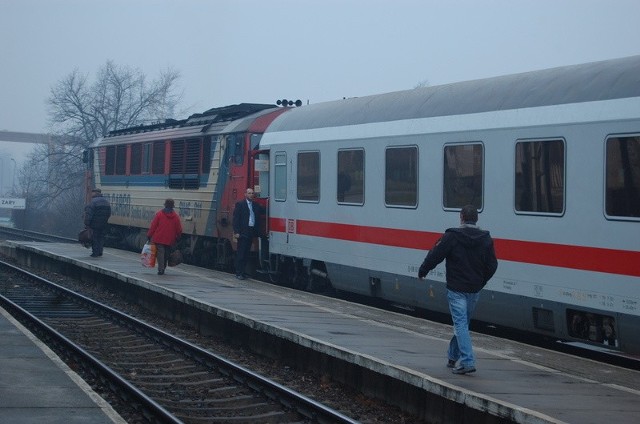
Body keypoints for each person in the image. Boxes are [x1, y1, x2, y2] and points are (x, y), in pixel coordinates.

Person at [418, 205, 498, 375]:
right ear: (476, 219)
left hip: (456, 289)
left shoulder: (452, 237)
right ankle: (453, 357)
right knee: (462, 324)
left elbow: (435, 255)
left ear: (461, 217)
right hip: (474, 290)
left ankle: (468, 361)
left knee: (461, 324)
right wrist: (481, 281)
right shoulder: (485, 239)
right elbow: (492, 265)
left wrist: (423, 270)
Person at [232, 188, 263, 280]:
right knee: (241, 253)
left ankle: (243, 272)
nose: (251, 195)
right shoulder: (240, 204)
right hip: (242, 232)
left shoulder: (256, 205)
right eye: (249, 193)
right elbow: (236, 219)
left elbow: (263, 211)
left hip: (251, 232)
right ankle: (238, 273)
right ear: (245, 194)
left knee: (246, 254)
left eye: (252, 193)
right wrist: (236, 232)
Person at [147, 198, 183, 275]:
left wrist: (149, 235)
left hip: (159, 238)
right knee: (166, 254)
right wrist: (179, 236)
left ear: (165, 205)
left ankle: (161, 269)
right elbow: (179, 229)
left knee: (160, 253)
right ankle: (163, 268)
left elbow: (153, 226)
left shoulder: (159, 214)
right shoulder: (176, 217)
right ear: (173, 206)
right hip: (170, 239)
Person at [84, 188, 111, 258]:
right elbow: (109, 213)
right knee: (101, 238)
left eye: (92, 192)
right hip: (104, 224)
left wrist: (87, 223)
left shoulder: (93, 202)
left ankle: (95, 253)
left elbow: (89, 214)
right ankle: (100, 252)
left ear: (95, 193)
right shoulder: (106, 202)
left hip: (95, 224)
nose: (91, 194)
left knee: (94, 238)